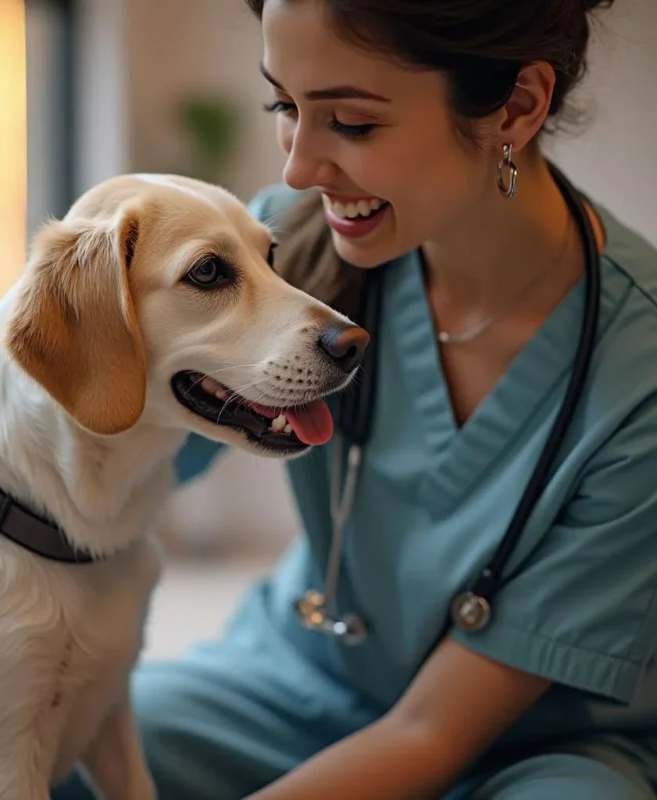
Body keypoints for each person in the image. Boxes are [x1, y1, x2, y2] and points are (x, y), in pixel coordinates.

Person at [54, 0, 657, 797]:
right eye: (285, 106)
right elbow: (86, 444)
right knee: (53, 763)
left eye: (353, 124)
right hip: (291, 686)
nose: (298, 168)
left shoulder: (637, 375)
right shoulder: (277, 253)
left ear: (517, 107)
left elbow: (430, 735)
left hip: (534, 746)